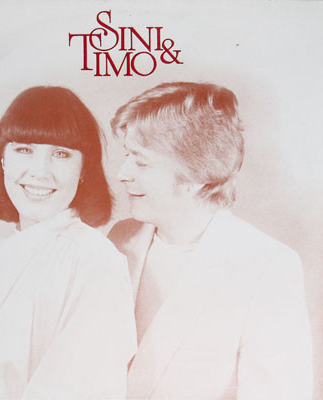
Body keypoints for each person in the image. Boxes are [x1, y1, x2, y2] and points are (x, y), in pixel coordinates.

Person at [108, 82, 313, 399]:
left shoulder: (268, 266)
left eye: (142, 161)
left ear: (197, 175)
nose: (123, 173)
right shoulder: (120, 239)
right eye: (127, 155)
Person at [0, 86, 136, 400]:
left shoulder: (96, 262)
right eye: (24, 150)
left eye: (61, 154)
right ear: (2, 159)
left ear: (83, 169)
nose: (40, 172)